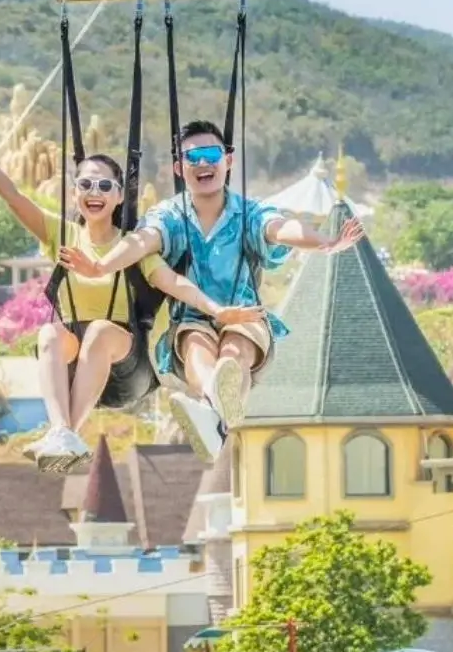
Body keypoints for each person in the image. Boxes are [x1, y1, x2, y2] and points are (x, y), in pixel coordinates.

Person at [0, 100, 264, 473]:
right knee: (48, 333)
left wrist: (215, 311)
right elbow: (10, 193)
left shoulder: (132, 244)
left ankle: (67, 431)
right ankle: (63, 431)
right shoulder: (61, 234)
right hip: (80, 368)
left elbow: (171, 281)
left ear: (119, 196)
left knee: (98, 331)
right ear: (75, 191)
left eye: (105, 185)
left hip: (128, 370)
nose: (95, 191)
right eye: (86, 184)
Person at [59, 119, 362, 436]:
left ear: (227, 160)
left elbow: (280, 229)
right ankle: (216, 414)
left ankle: (214, 413)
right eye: (192, 157)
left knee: (234, 350)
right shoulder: (170, 216)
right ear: (179, 167)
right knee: (196, 346)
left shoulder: (248, 213)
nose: (202, 163)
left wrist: (322, 242)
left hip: (244, 314)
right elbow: (143, 240)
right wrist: (101, 266)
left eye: (211, 155)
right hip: (192, 317)